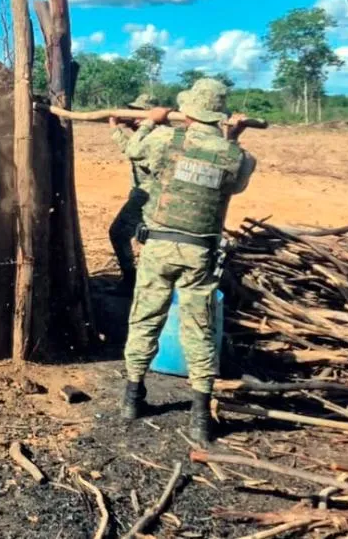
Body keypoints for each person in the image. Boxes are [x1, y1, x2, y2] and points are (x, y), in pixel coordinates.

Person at [116, 79, 256, 443]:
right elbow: (236, 183)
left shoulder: (167, 140)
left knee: (146, 317)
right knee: (200, 329)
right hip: (199, 253)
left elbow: (133, 151)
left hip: (160, 247)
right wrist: (234, 137)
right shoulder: (233, 155)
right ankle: (199, 416)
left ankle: (133, 397)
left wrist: (151, 120)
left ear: (189, 110)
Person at [108, 94, 157, 295]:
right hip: (144, 195)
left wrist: (113, 127)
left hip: (147, 196)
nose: (134, 116)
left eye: (139, 111)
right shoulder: (148, 134)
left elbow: (131, 149)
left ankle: (131, 281)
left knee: (119, 233)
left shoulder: (155, 136)